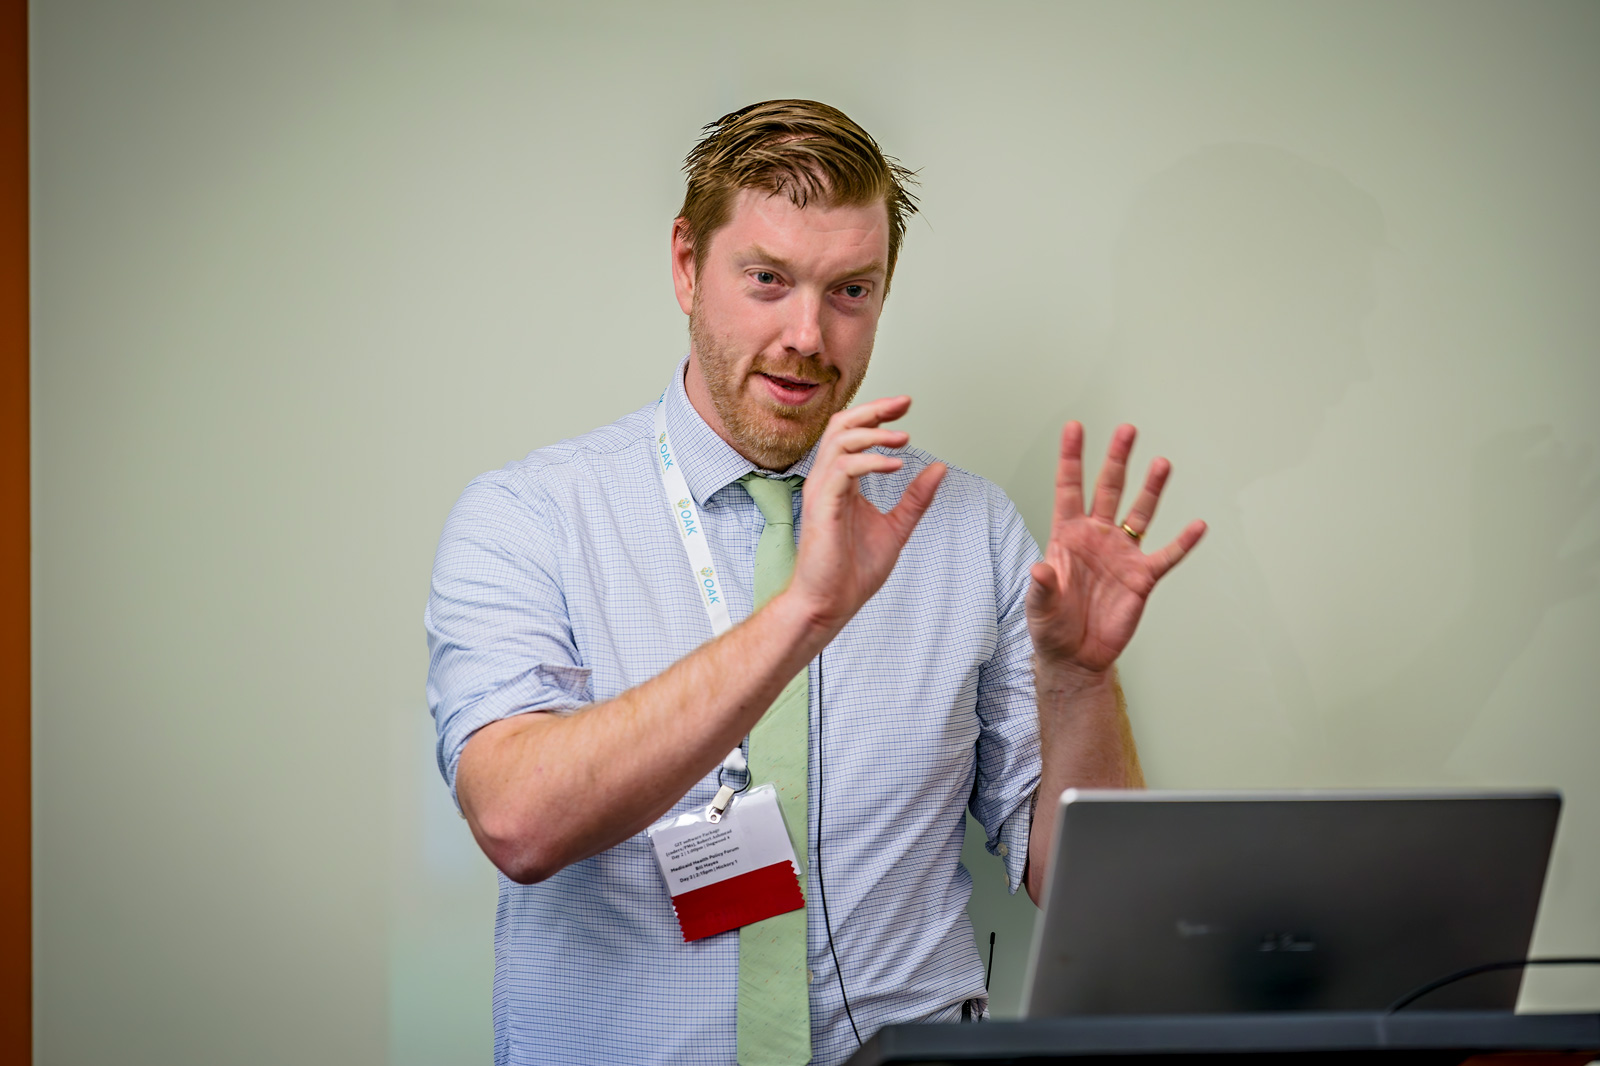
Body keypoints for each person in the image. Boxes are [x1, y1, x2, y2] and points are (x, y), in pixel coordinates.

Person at [425, 99, 1205, 1066]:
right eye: (766, 280)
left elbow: (1098, 896)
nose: (808, 335)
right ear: (685, 264)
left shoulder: (966, 529)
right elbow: (516, 821)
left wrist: (1081, 679)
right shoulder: (529, 517)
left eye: (850, 291)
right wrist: (805, 612)